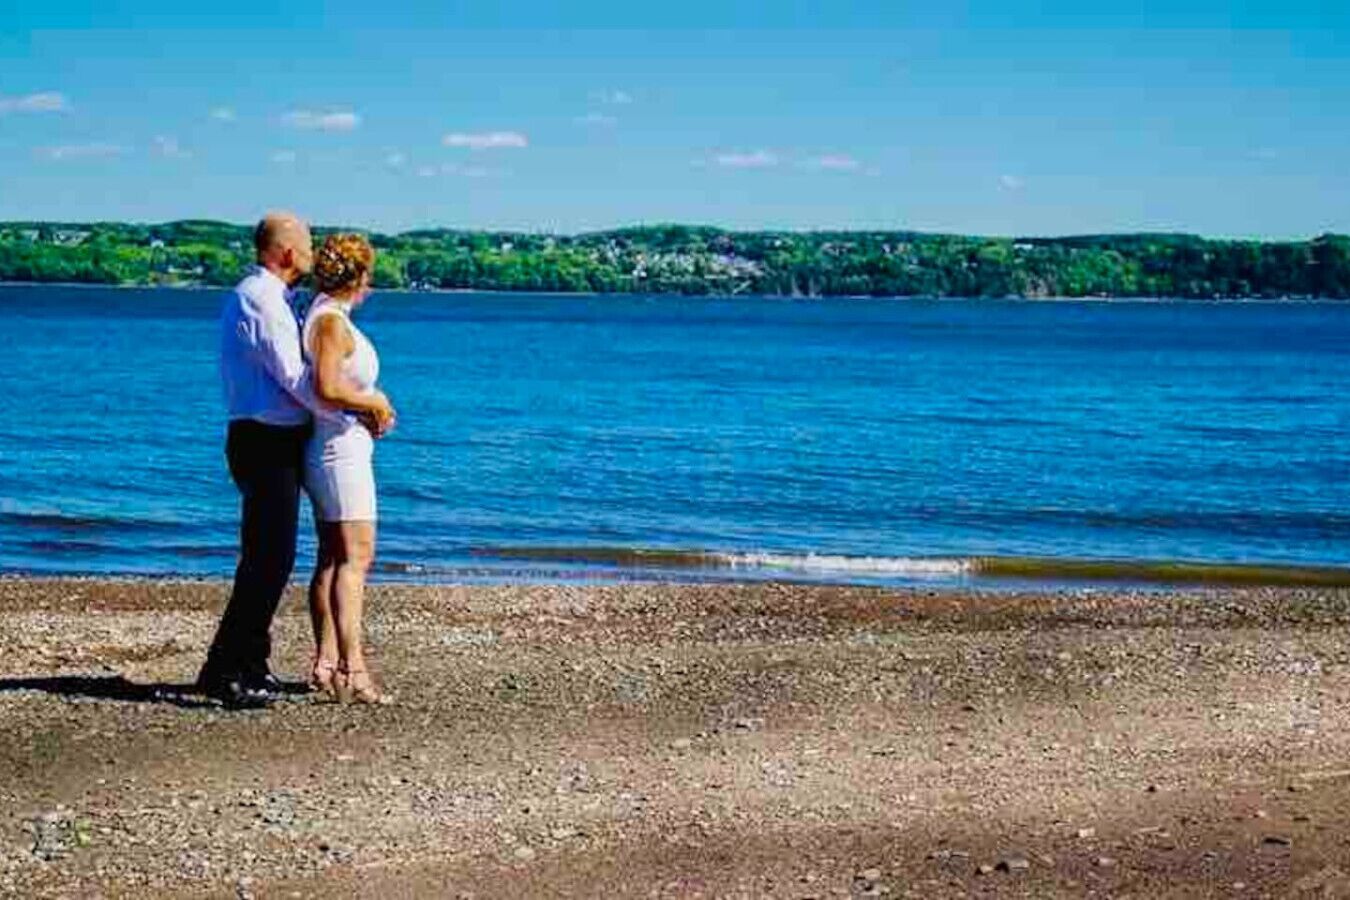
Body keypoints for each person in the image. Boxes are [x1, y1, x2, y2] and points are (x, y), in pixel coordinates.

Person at [200, 213, 393, 708]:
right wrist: (363, 404)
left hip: (279, 438)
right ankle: (229, 669)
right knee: (269, 558)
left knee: (274, 556)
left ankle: (244, 661)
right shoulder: (261, 299)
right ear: (286, 253)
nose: (312, 255)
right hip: (263, 439)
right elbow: (300, 380)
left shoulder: (281, 300)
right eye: (306, 247)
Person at [302, 233, 395, 704]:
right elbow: (326, 387)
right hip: (340, 453)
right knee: (355, 559)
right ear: (358, 278)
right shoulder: (332, 324)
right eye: (369, 276)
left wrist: (365, 410)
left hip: (334, 448)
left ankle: (326, 662)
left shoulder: (321, 314)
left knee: (333, 559)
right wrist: (373, 402)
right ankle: (352, 668)